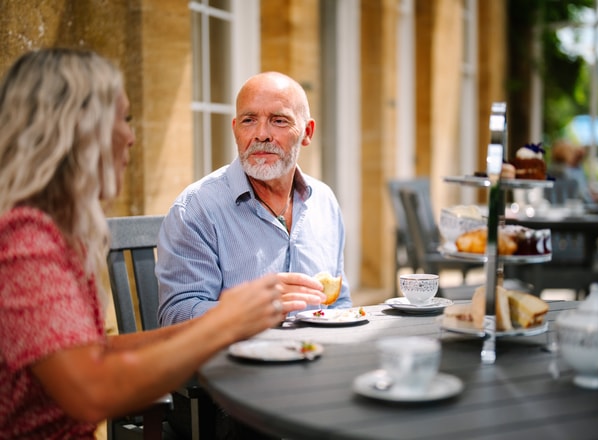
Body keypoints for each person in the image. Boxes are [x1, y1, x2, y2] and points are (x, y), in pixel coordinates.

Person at [0, 48, 319, 439]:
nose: (131, 138)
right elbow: (90, 392)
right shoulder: (25, 240)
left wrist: (238, 319)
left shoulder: (50, 232)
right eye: (122, 120)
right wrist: (222, 322)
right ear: (76, 131)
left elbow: (95, 352)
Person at [156, 71, 352, 327]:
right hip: (235, 363)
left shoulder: (324, 202)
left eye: (279, 121)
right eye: (249, 120)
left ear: (307, 132)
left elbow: (339, 304)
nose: (261, 134)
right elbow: (176, 316)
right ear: (235, 129)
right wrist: (250, 309)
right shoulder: (195, 210)